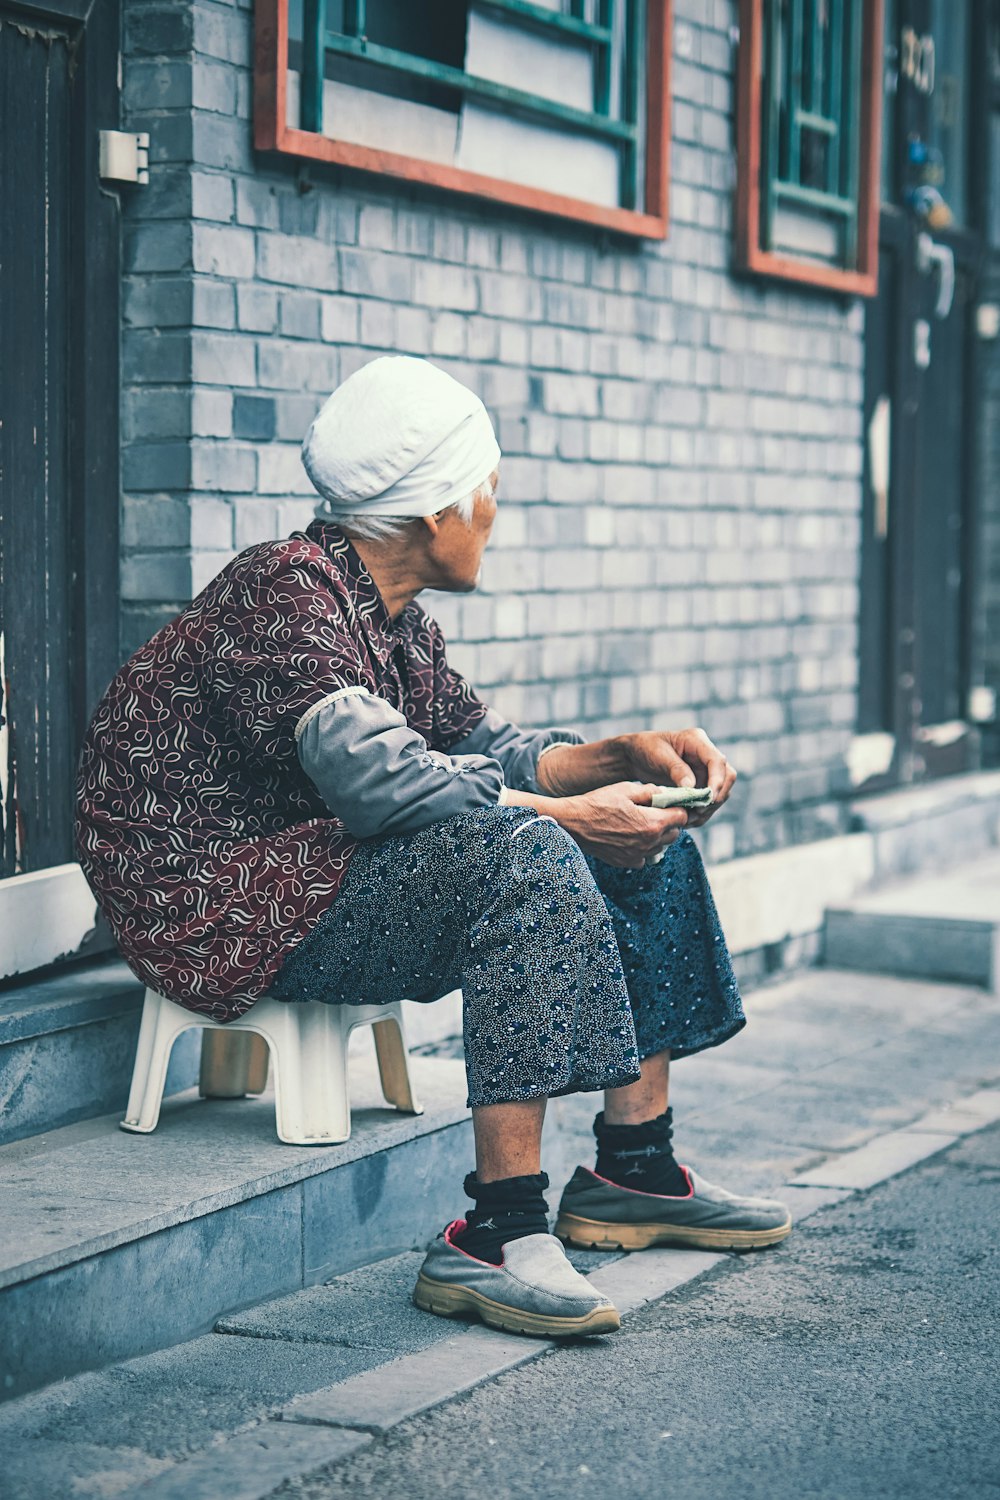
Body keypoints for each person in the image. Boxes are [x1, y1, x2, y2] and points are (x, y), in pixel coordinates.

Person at [75, 355, 790, 1342]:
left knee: (643, 845)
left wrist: (619, 757)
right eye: (483, 489)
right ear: (431, 514)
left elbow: (480, 751)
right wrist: (572, 821)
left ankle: (633, 1171)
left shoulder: (395, 621)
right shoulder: (282, 590)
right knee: (530, 854)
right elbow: (379, 783)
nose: (493, 508)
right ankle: (494, 1233)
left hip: (309, 870)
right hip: (215, 901)